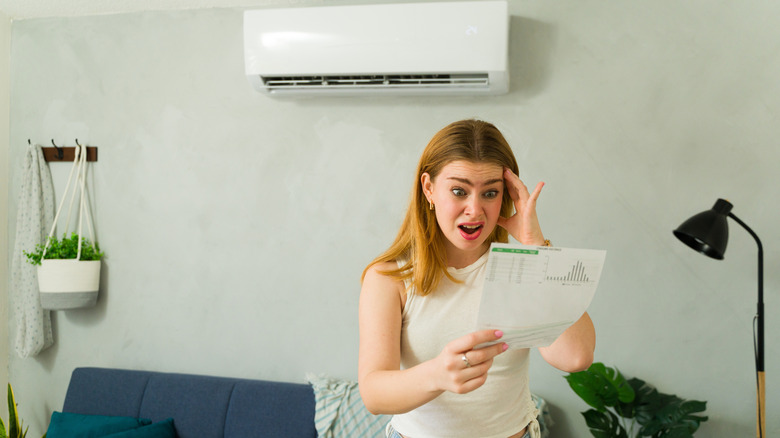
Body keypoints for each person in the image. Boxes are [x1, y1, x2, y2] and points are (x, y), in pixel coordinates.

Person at [358, 119, 595, 438]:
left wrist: (536, 247)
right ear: (428, 188)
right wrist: (438, 375)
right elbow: (374, 394)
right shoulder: (389, 278)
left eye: (490, 193)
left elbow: (574, 357)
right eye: (459, 190)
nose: (474, 210)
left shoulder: (524, 269)